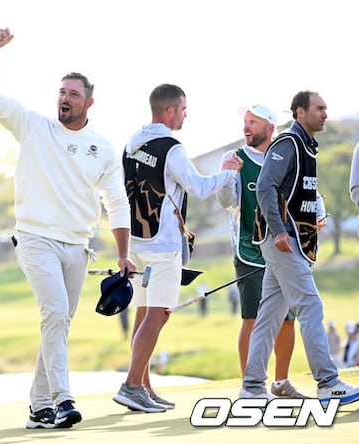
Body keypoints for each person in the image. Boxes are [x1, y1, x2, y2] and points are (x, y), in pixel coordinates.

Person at [0, 28, 135, 429]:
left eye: (73, 94)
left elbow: (117, 202)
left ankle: (38, 406)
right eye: (62, 92)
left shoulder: (103, 147)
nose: (65, 98)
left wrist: (123, 253)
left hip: (78, 245)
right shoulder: (34, 126)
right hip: (35, 239)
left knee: (59, 322)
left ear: (88, 102)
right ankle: (63, 399)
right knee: (54, 313)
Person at [113, 83, 242, 413]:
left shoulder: (132, 142)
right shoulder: (172, 148)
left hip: (137, 241)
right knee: (158, 315)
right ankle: (131, 385)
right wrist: (227, 174)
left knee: (144, 313)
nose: (185, 115)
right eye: (183, 109)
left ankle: (143, 386)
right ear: (170, 111)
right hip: (163, 245)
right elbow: (199, 188)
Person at [240, 91, 359, 405]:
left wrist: (312, 216)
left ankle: (252, 387)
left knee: (270, 314)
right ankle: (328, 383)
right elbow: (265, 185)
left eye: (326, 108)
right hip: (282, 241)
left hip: (288, 240)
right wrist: (280, 231)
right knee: (310, 305)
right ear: (300, 112)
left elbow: (295, 194)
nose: (325, 114)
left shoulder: (305, 146)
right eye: (319, 108)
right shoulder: (289, 143)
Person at [217, 104, 311, 398]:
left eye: (253, 122)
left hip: (284, 248)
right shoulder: (235, 158)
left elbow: (304, 192)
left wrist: (316, 215)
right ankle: (251, 385)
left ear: (270, 127)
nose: (247, 127)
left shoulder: (286, 154)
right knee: (252, 319)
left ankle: (281, 382)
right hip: (250, 249)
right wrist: (226, 175)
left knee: (287, 319)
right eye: (245, 122)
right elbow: (226, 202)